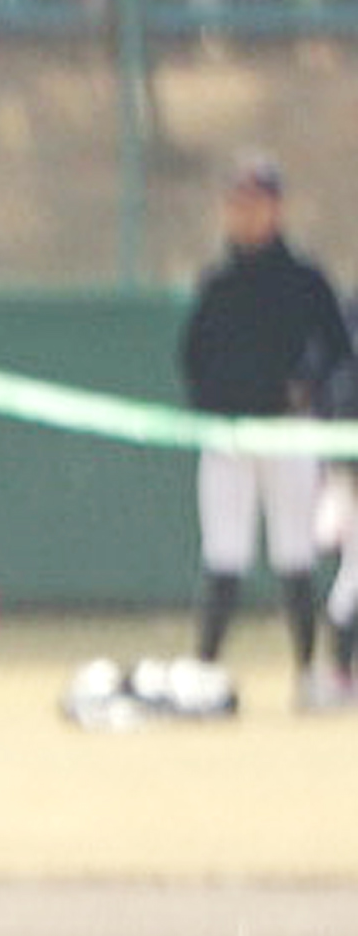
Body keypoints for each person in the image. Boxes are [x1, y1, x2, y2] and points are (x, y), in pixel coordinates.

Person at [178, 153, 352, 701]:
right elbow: (192, 356)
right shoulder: (218, 280)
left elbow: (338, 349)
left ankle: (307, 675)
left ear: (276, 208)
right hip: (228, 439)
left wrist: (309, 387)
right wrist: (212, 407)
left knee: (294, 557)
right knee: (224, 556)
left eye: (254, 202)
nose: (244, 213)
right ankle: (204, 674)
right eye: (236, 203)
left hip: (289, 435)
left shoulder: (303, 279)